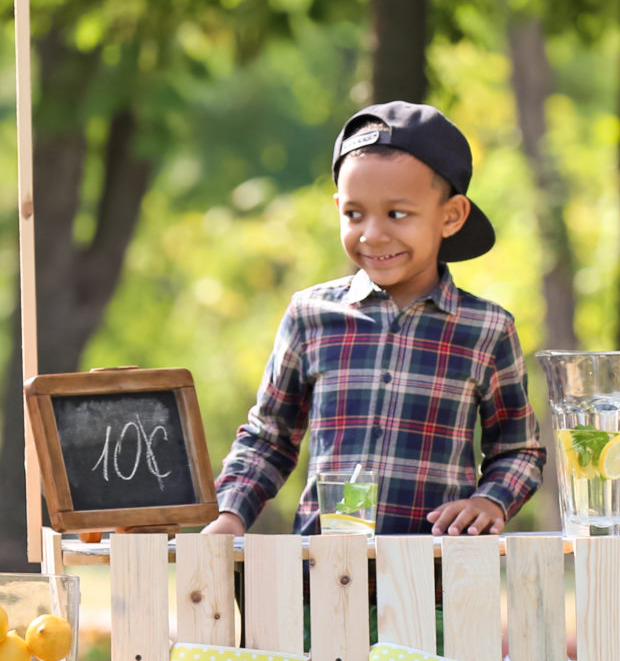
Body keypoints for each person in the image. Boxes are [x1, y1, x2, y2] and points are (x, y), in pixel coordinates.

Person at [205, 101, 544, 538]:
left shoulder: (487, 330)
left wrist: (489, 499)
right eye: (354, 213)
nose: (372, 234)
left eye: (397, 214)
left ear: (451, 215)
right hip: (321, 578)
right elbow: (269, 437)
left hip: (436, 583)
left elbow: (518, 449)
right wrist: (231, 513)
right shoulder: (311, 317)